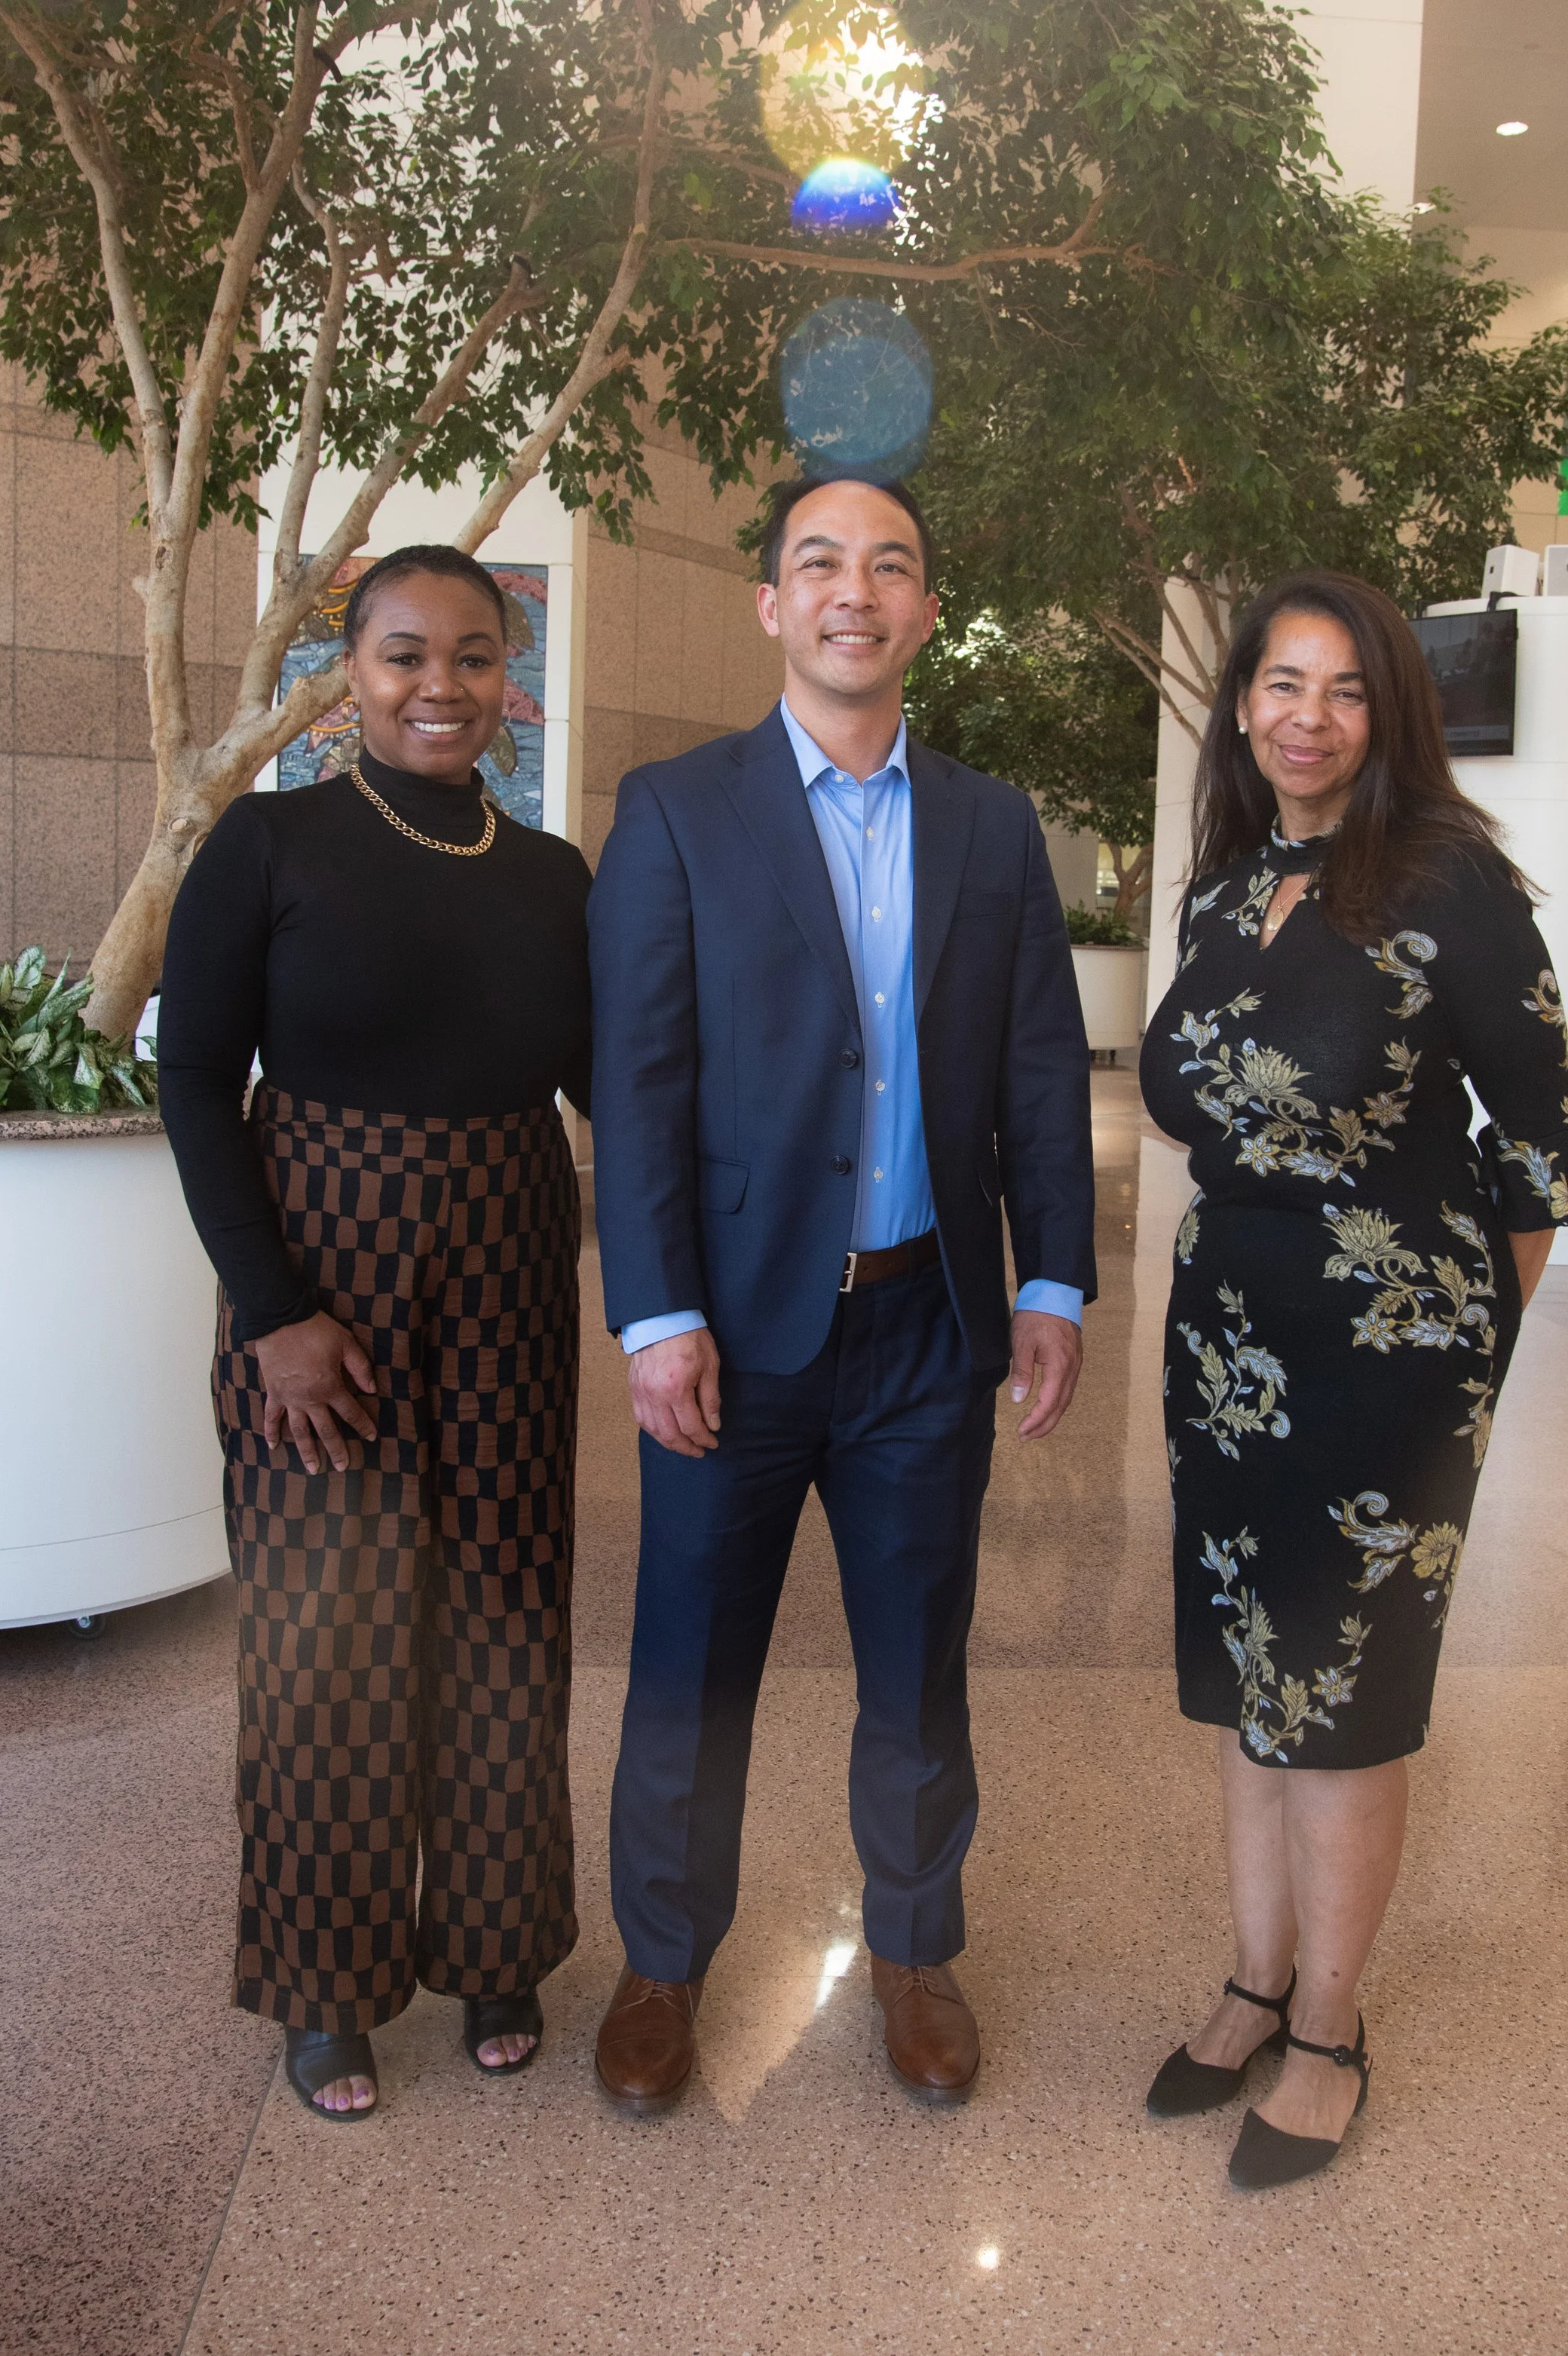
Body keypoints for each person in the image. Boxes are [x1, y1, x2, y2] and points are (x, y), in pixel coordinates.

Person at [586, 473, 1095, 2112]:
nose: (852, 591)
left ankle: (913, 1949)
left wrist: (1055, 1276)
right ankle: (660, 1964)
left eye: (889, 566)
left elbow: (1033, 1067)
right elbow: (639, 1077)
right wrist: (655, 1314)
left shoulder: (991, 823)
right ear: (771, 603)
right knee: (689, 1660)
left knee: (917, 1659)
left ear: (927, 609)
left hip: (921, 1328)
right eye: (819, 562)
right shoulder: (675, 808)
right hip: (732, 1330)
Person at [1137, 568, 1568, 2188]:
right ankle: (1251, 1977)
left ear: (1387, 711)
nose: (1307, 716)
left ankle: (1327, 2027)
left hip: (1385, 1363)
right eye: (1281, 682)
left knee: (1336, 1707)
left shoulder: (1449, 883)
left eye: (1343, 688)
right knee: (1246, 1680)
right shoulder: (1225, 884)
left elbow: (1539, 1157)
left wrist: (1459, 1362)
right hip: (1228, 1343)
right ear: (1245, 703)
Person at [157, 545, 593, 2122]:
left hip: (507, 1273)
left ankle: (497, 1946)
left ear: (507, 678)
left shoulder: (551, 877)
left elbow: (614, 1087)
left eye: (473, 657)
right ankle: (325, 1984)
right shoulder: (267, 845)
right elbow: (196, 1077)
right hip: (318, 1274)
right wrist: (272, 1313)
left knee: (501, 1616)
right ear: (343, 672)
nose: (440, 686)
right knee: (323, 1634)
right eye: (405, 654)